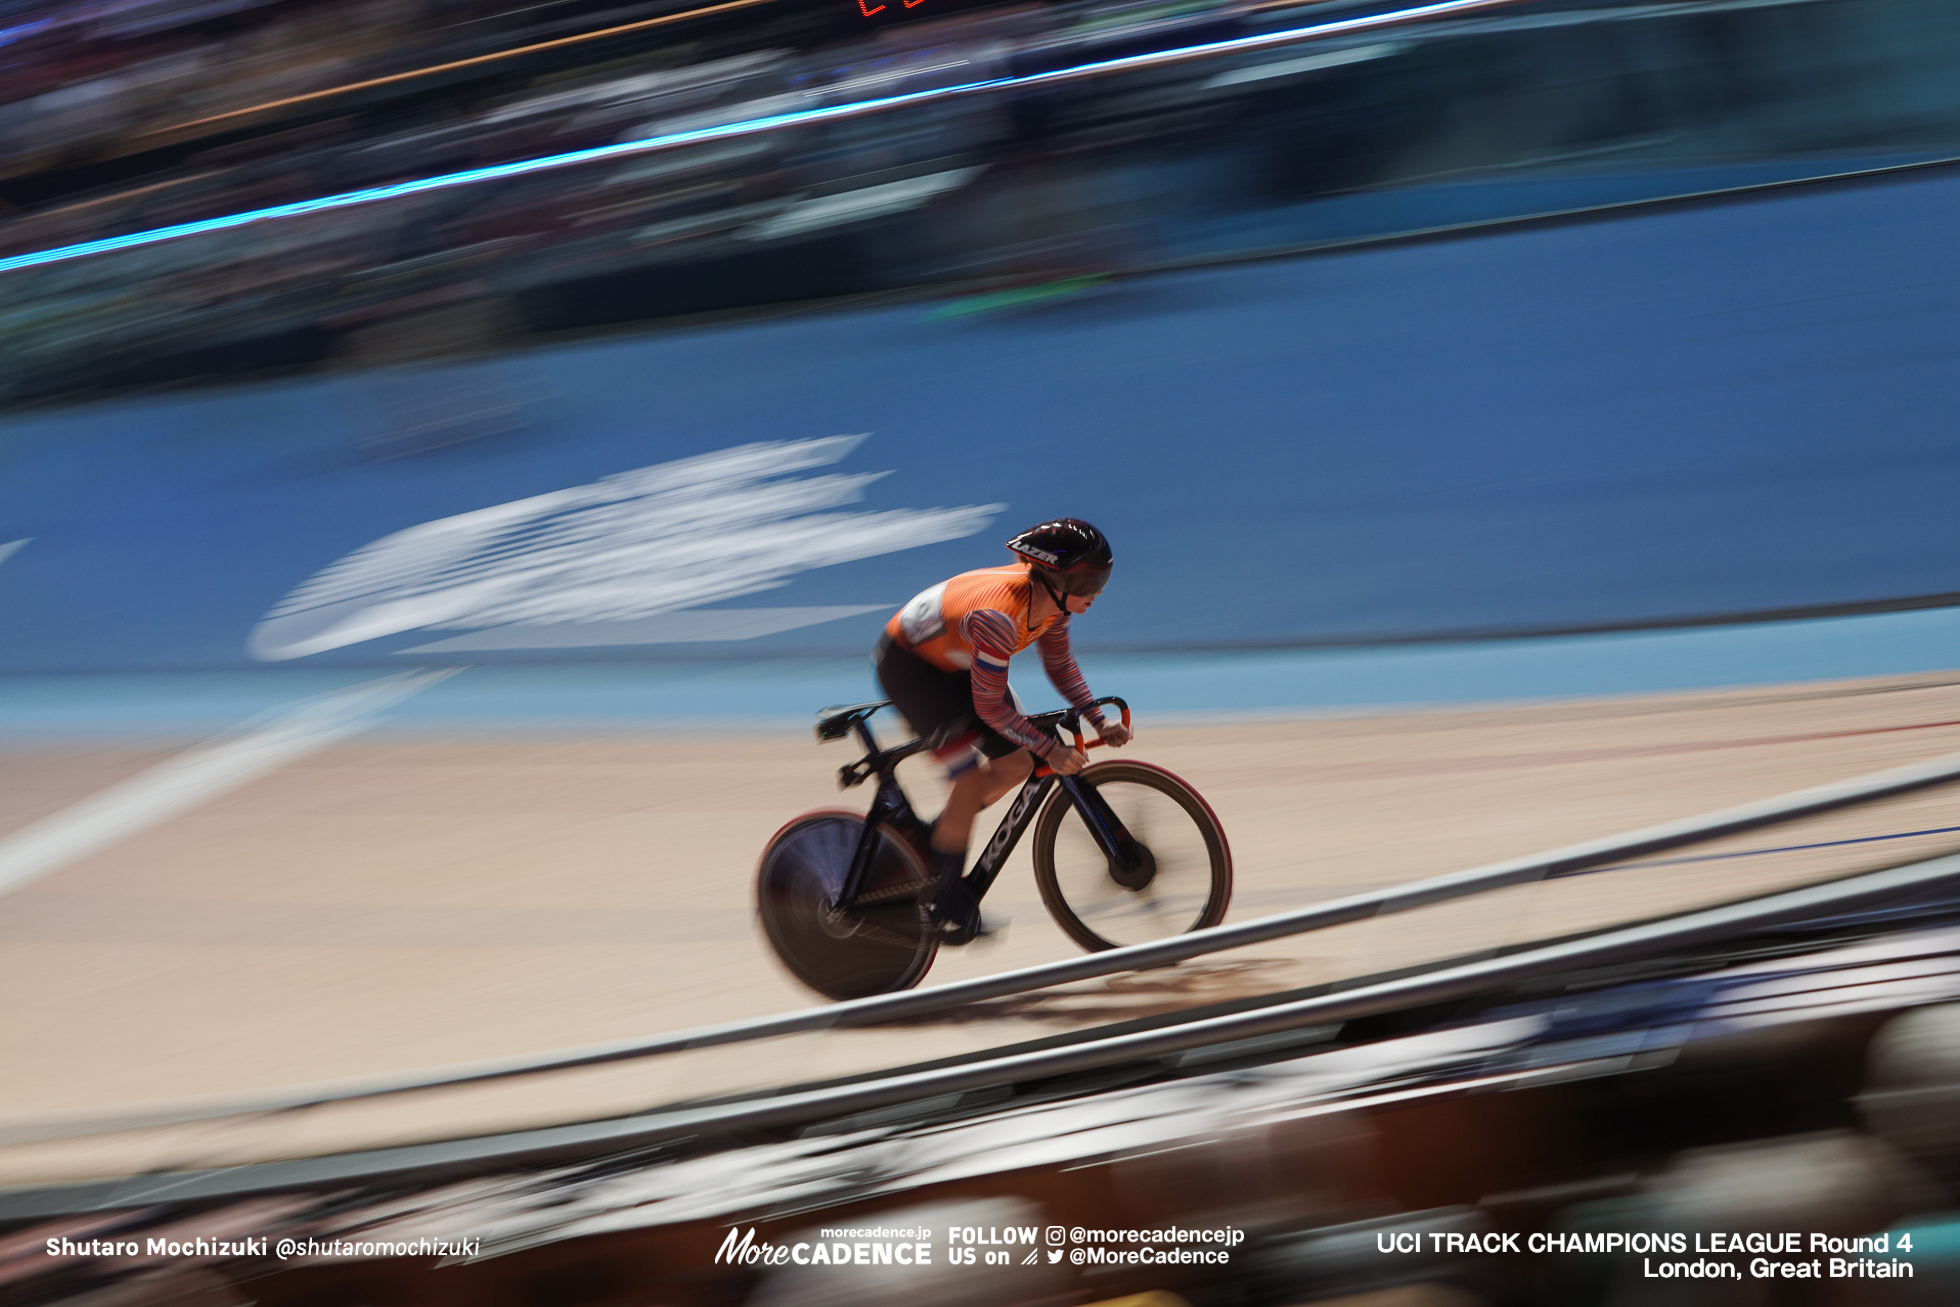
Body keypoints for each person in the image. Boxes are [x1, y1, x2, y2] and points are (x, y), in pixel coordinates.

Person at [876, 518, 1132, 943]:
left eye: (1102, 578)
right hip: (913, 668)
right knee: (971, 779)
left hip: (957, 657)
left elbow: (1060, 665)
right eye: (1089, 581)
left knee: (1016, 765)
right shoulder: (998, 617)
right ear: (1055, 578)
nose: (1098, 591)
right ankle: (942, 898)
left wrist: (1096, 718)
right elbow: (990, 708)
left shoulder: (1055, 603)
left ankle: (936, 843)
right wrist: (1050, 751)